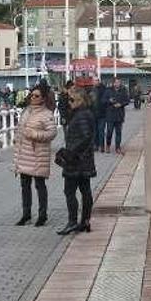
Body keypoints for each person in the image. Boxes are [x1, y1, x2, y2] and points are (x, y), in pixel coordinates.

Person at [13, 83, 58, 228]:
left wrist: (35, 135)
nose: (33, 97)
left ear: (43, 98)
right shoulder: (26, 111)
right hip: (24, 154)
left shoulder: (47, 114)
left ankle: (42, 215)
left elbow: (52, 133)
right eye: (32, 95)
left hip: (38, 154)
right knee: (24, 185)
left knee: (40, 185)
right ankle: (26, 214)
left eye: (37, 95)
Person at [57, 87, 97, 235]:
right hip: (82, 159)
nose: (69, 102)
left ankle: (73, 221)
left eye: (72, 100)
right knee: (84, 190)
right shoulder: (81, 113)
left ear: (80, 100)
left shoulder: (82, 115)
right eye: (69, 99)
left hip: (77, 160)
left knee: (70, 190)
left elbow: (86, 137)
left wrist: (71, 153)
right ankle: (84, 221)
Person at [104, 78, 130, 154]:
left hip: (119, 115)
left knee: (118, 132)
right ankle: (108, 145)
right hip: (110, 115)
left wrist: (121, 104)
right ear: (113, 83)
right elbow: (103, 100)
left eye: (119, 82)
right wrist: (109, 101)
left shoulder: (123, 90)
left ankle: (118, 147)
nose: (118, 83)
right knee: (109, 132)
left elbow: (127, 100)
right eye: (116, 82)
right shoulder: (108, 91)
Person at [93, 80, 108, 151]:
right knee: (95, 131)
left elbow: (105, 101)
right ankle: (96, 145)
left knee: (101, 130)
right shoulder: (92, 90)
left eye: (96, 81)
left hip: (102, 114)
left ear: (99, 81)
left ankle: (101, 145)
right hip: (93, 113)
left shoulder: (104, 89)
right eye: (94, 81)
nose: (94, 82)